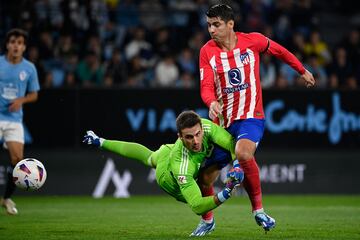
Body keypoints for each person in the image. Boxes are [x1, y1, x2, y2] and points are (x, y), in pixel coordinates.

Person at [199, 4, 316, 231]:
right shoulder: (207, 51)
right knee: (205, 179)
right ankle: (207, 221)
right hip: (223, 124)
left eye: (216, 24)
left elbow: (280, 51)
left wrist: (302, 70)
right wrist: (211, 102)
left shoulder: (253, 40)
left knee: (243, 153)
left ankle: (259, 211)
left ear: (230, 24)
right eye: (209, 25)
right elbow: (205, 86)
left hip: (251, 116)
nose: (211, 30)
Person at [83, 110, 244, 236]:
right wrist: (227, 192)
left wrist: (237, 164)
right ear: (179, 137)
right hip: (168, 178)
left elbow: (231, 143)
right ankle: (208, 222)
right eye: (188, 137)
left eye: (197, 134)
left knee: (149, 156)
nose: (195, 141)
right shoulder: (182, 167)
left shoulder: (206, 126)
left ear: (201, 127)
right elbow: (197, 205)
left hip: (167, 151)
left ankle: (100, 141)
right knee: (201, 189)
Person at [0, 28, 40, 215]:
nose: (16, 45)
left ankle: (6, 198)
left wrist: (20, 101)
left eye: (20, 43)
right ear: (8, 45)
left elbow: (34, 95)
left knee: (18, 162)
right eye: (13, 41)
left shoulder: (29, 68)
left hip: (14, 120)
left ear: (24, 47)